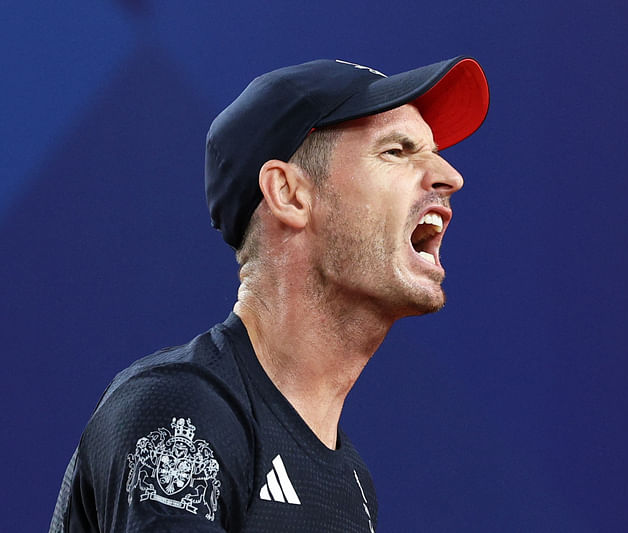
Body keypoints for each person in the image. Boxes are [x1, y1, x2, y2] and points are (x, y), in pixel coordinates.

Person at [50, 55, 489, 532]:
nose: (450, 175)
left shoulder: (354, 487)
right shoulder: (181, 411)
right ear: (288, 194)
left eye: (431, 150)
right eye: (397, 151)